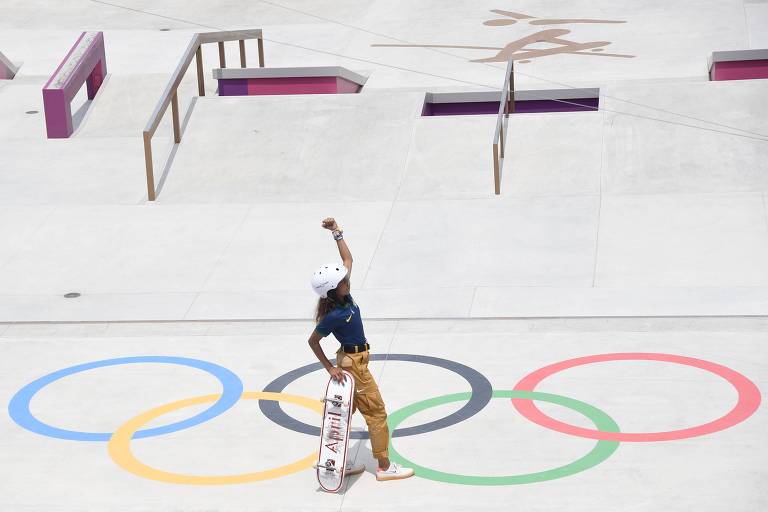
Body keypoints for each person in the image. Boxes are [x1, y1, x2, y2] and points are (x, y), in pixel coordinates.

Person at [308, 217, 414, 482]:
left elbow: (348, 261)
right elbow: (313, 341)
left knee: (342, 413)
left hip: (355, 360)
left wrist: (336, 233)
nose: (348, 280)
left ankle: (336, 462)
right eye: (343, 281)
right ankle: (384, 466)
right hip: (352, 365)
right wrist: (329, 367)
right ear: (333, 291)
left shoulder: (346, 297)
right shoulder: (333, 315)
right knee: (376, 413)